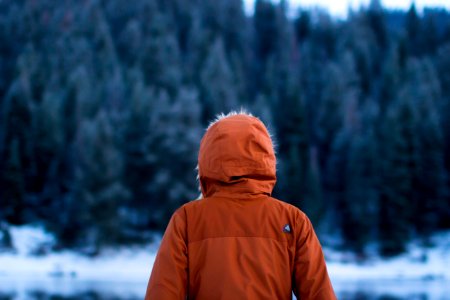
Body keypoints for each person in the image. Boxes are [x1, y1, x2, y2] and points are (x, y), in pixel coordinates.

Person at [145, 111, 336, 300]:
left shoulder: (187, 219)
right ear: (266, 158)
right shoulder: (293, 220)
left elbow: (162, 293)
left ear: (207, 159)